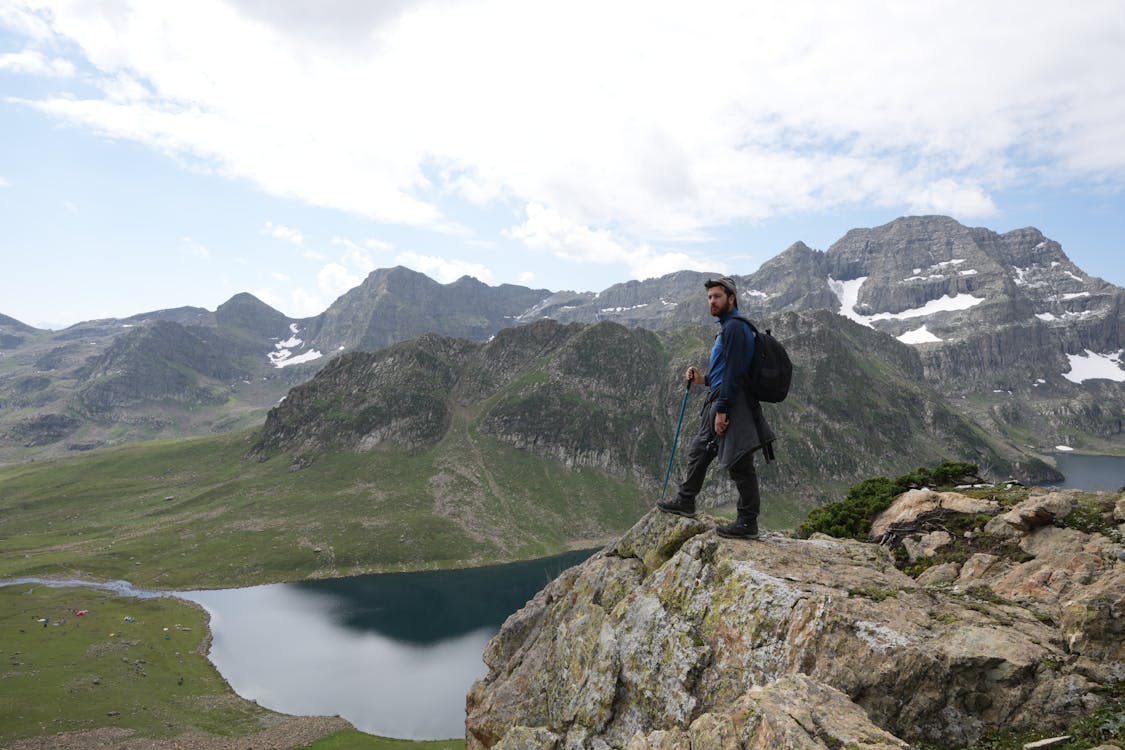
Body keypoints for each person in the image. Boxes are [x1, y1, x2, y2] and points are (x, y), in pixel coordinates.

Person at [658, 276, 775, 538]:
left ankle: (747, 522)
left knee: (739, 461)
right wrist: (703, 379)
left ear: (731, 299)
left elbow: (734, 372)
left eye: (717, 297)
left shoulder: (734, 327)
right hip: (724, 397)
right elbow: (725, 373)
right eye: (709, 297)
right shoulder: (729, 327)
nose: (712, 301)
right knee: (701, 449)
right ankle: (686, 499)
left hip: (730, 402)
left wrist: (722, 411)